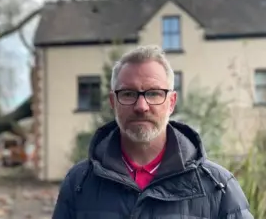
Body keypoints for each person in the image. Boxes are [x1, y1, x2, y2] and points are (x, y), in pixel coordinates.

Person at [52, 45, 253, 218]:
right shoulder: (79, 183)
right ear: (113, 102)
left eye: (154, 93)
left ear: (172, 102)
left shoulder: (219, 186)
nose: (141, 106)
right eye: (129, 94)